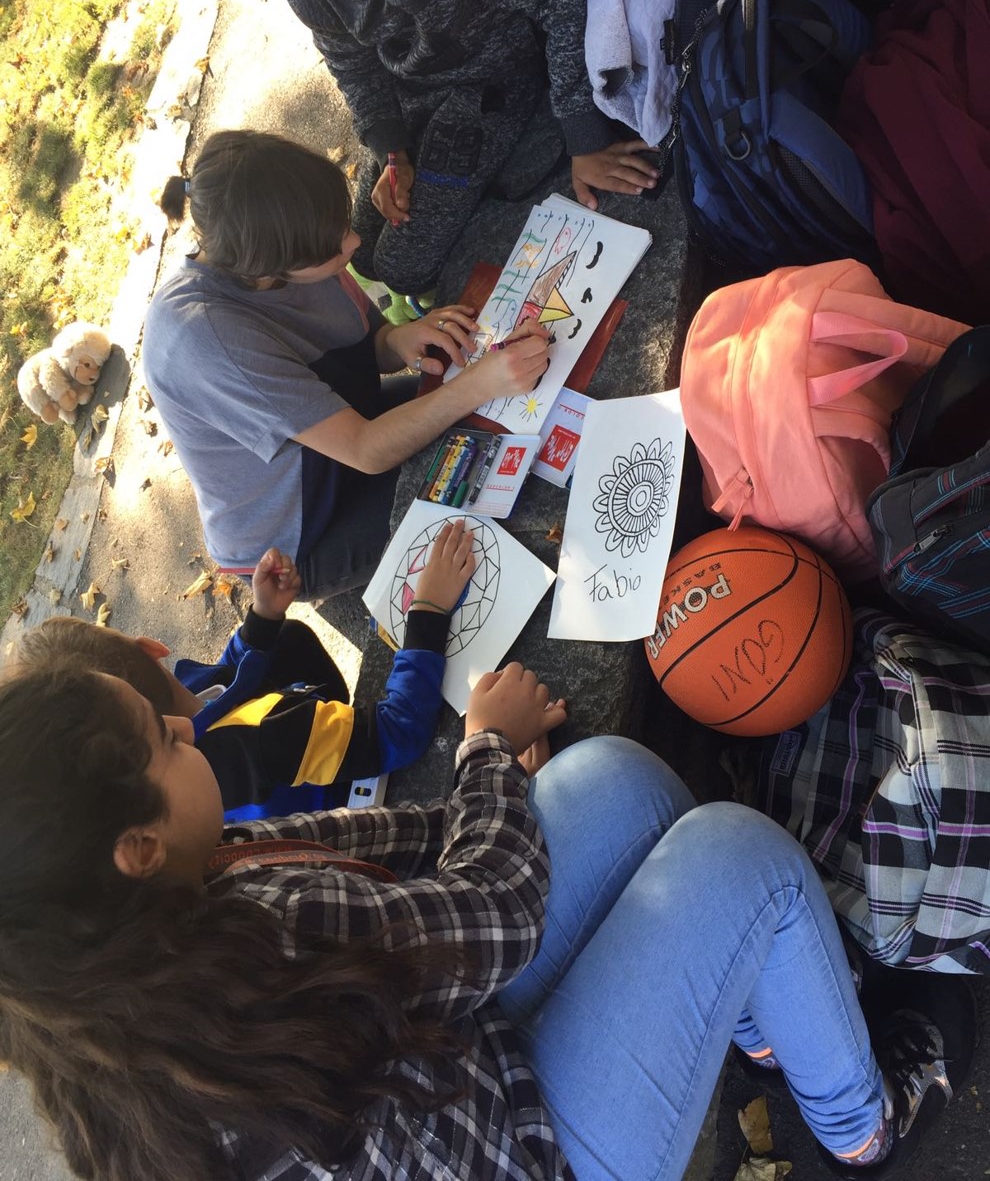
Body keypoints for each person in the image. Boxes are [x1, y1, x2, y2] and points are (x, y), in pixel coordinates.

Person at [0, 661, 972, 1181]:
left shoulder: (127, 955)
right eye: (158, 742)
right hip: (529, 1154)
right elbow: (500, 911)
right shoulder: (264, 930)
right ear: (134, 846)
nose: (183, 728)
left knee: (616, 782)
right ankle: (860, 1125)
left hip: (455, 1069)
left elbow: (377, 841)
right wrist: (486, 746)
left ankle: (755, 1020)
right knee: (741, 855)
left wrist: (492, 781)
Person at [223, 0, 660, 315]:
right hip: (414, 96)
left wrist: (583, 135)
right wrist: (390, 149)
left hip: (497, 83)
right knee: (363, 246)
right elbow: (351, 64)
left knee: (401, 266)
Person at [145, 129, 551, 597]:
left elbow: (363, 349)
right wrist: (479, 384)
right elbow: (365, 449)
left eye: (343, 225)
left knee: (501, 430)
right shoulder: (207, 341)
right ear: (268, 268)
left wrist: (396, 339)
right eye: (336, 245)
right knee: (490, 500)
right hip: (303, 532)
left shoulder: (288, 242)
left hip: (345, 425)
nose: (356, 241)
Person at [9, 523, 478, 821]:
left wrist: (263, 615)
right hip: (341, 791)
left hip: (280, 756)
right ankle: (345, 734)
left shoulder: (163, 739)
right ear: (151, 648)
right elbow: (402, 731)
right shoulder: (268, 735)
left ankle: (335, 726)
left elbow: (228, 676)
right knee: (343, 705)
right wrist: (429, 611)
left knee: (285, 639)